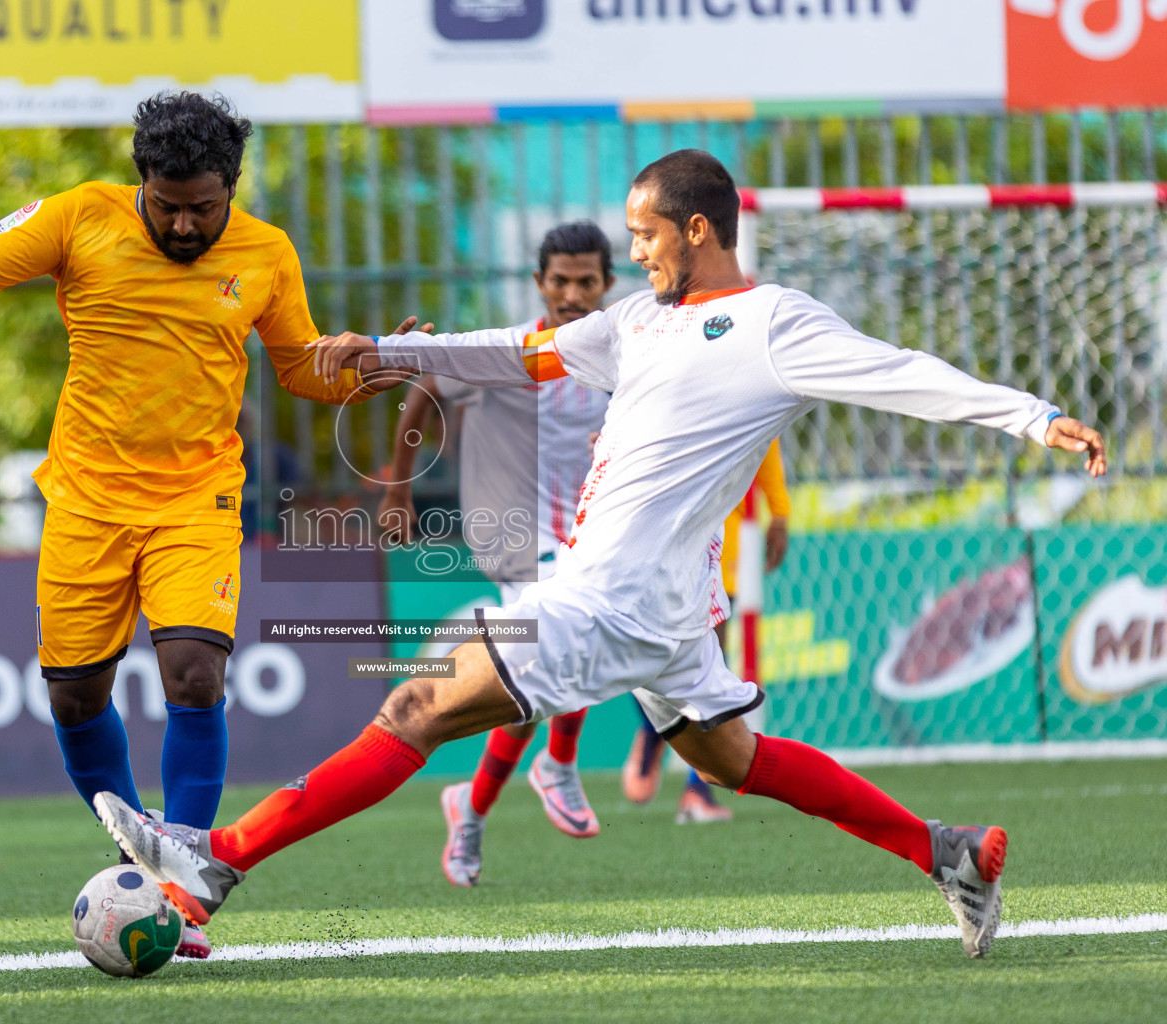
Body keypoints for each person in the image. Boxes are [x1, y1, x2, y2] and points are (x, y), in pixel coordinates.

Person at [97, 149, 1108, 961]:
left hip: (611, 596)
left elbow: (901, 374)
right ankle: (948, 852)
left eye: (646, 235)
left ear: (697, 229)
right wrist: (389, 354)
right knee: (733, 756)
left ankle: (218, 858)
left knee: (416, 706)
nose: (636, 253)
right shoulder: (632, 323)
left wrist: (1036, 417)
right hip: (666, 609)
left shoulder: (773, 324)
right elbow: (514, 351)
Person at [0, 91, 409, 959]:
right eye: (168, 206)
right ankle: (136, 850)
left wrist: (370, 369)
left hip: (196, 498)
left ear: (231, 189)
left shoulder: (266, 253)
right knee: (74, 695)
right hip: (87, 501)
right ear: (142, 180)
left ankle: (183, 888)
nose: (183, 226)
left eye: (202, 208)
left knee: (194, 675)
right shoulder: (79, 219)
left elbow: (300, 370)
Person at [378, 222, 616, 886]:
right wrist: (398, 488)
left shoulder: (624, 354)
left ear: (607, 285)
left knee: (536, 682)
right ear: (540, 283)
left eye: (586, 281)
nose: (572, 293)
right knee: (571, 636)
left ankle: (471, 808)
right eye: (560, 281)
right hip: (521, 541)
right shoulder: (512, 352)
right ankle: (559, 766)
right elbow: (425, 384)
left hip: (594, 535)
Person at [623, 438, 791, 823]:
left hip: (716, 541)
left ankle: (697, 791)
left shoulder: (742, 381)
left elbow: (766, 436)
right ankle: (653, 730)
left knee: (709, 662)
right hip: (651, 537)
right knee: (639, 655)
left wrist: (779, 512)